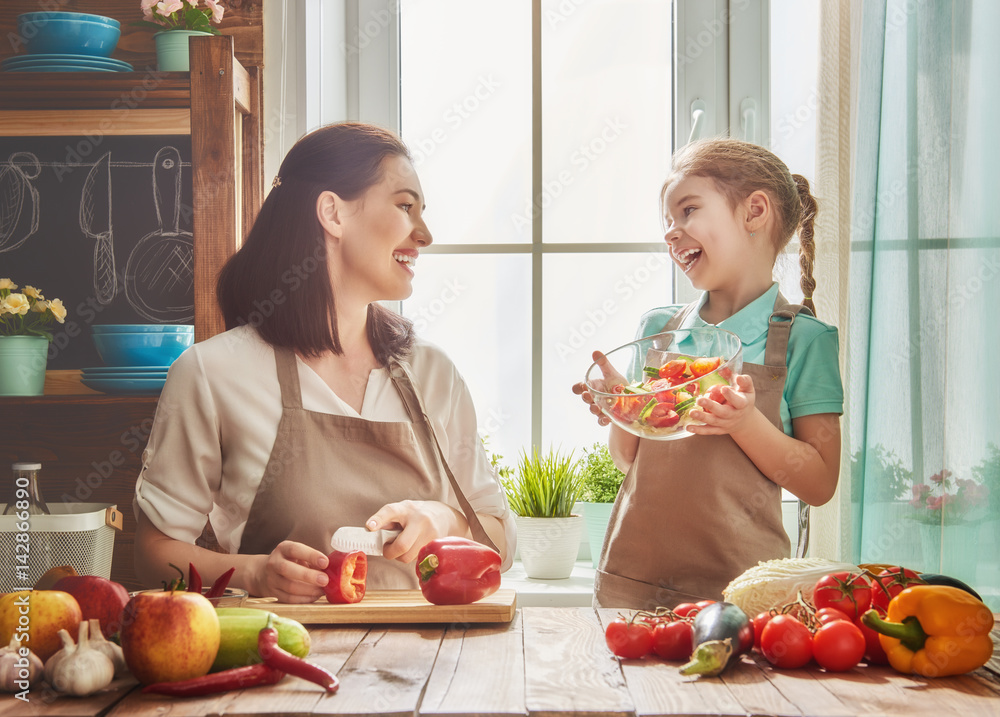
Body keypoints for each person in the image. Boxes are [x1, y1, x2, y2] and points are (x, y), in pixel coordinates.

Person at [133, 122, 515, 603]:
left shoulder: (433, 373)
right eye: (404, 206)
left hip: (432, 665)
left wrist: (444, 520)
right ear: (333, 213)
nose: (425, 234)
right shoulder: (212, 374)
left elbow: (500, 536)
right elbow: (150, 554)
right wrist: (252, 574)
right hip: (287, 662)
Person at [573, 138, 843, 609]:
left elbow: (818, 485)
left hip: (742, 592)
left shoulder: (804, 339)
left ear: (754, 211)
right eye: (667, 221)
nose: (671, 232)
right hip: (634, 580)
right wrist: (624, 405)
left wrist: (744, 422)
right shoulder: (660, 330)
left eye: (688, 210)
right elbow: (628, 461)